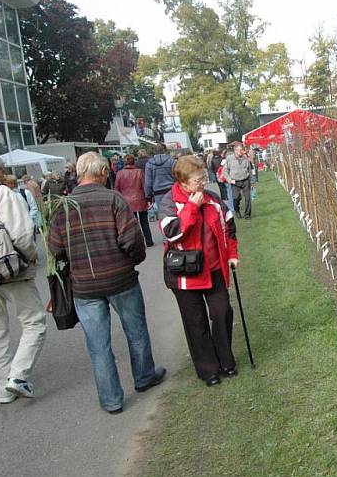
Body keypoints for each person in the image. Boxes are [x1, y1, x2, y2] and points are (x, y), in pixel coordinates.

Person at [48, 153, 166, 414]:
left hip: (84, 286)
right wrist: (133, 260)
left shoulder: (63, 206)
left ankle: (111, 399)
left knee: (98, 345)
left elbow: (55, 248)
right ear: (102, 172)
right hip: (120, 278)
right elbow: (131, 240)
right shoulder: (113, 199)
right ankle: (144, 377)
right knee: (135, 331)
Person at [158, 155, 239, 387]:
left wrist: (232, 254)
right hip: (185, 274)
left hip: (213, 269)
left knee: (222, 312)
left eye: (203, 178)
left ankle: (225, 360)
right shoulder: (169, 203)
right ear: (183, 183)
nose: (203, 183)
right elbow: (173, 231)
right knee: (196, 323)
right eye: (197, 180)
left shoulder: (213, 199)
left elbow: (229, 225)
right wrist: (192, 207)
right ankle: (208, 369)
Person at [0, 157, 46, 404]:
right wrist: (30, 258)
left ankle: (4, 389)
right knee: (34, 322)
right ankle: (17, 377)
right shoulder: (2, 192)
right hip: (10, 268)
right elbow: (23, 234)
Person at [115, 154, 154, 247]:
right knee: (144, 221)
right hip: (140, 199)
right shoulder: (139, 172)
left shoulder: (120, 173)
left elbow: (117, 188)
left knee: (133, 224)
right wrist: (149, 198)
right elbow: (145, 186)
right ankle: (149, 241)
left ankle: (138, 243)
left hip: (126, 201)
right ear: (134, 161)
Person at [226, 144, 252, 219]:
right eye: (240, 150)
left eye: (242, 150)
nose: (242, 151)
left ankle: (247, 214)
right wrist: (229, 180)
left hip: (245, 180)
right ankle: (237, 210)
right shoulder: (229, 159)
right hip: (235, 181)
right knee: (236, 198)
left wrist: (252, 181)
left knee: (248, 198)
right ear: (236, 151)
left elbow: (249, 170)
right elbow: (225, 171)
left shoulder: (245, 158)